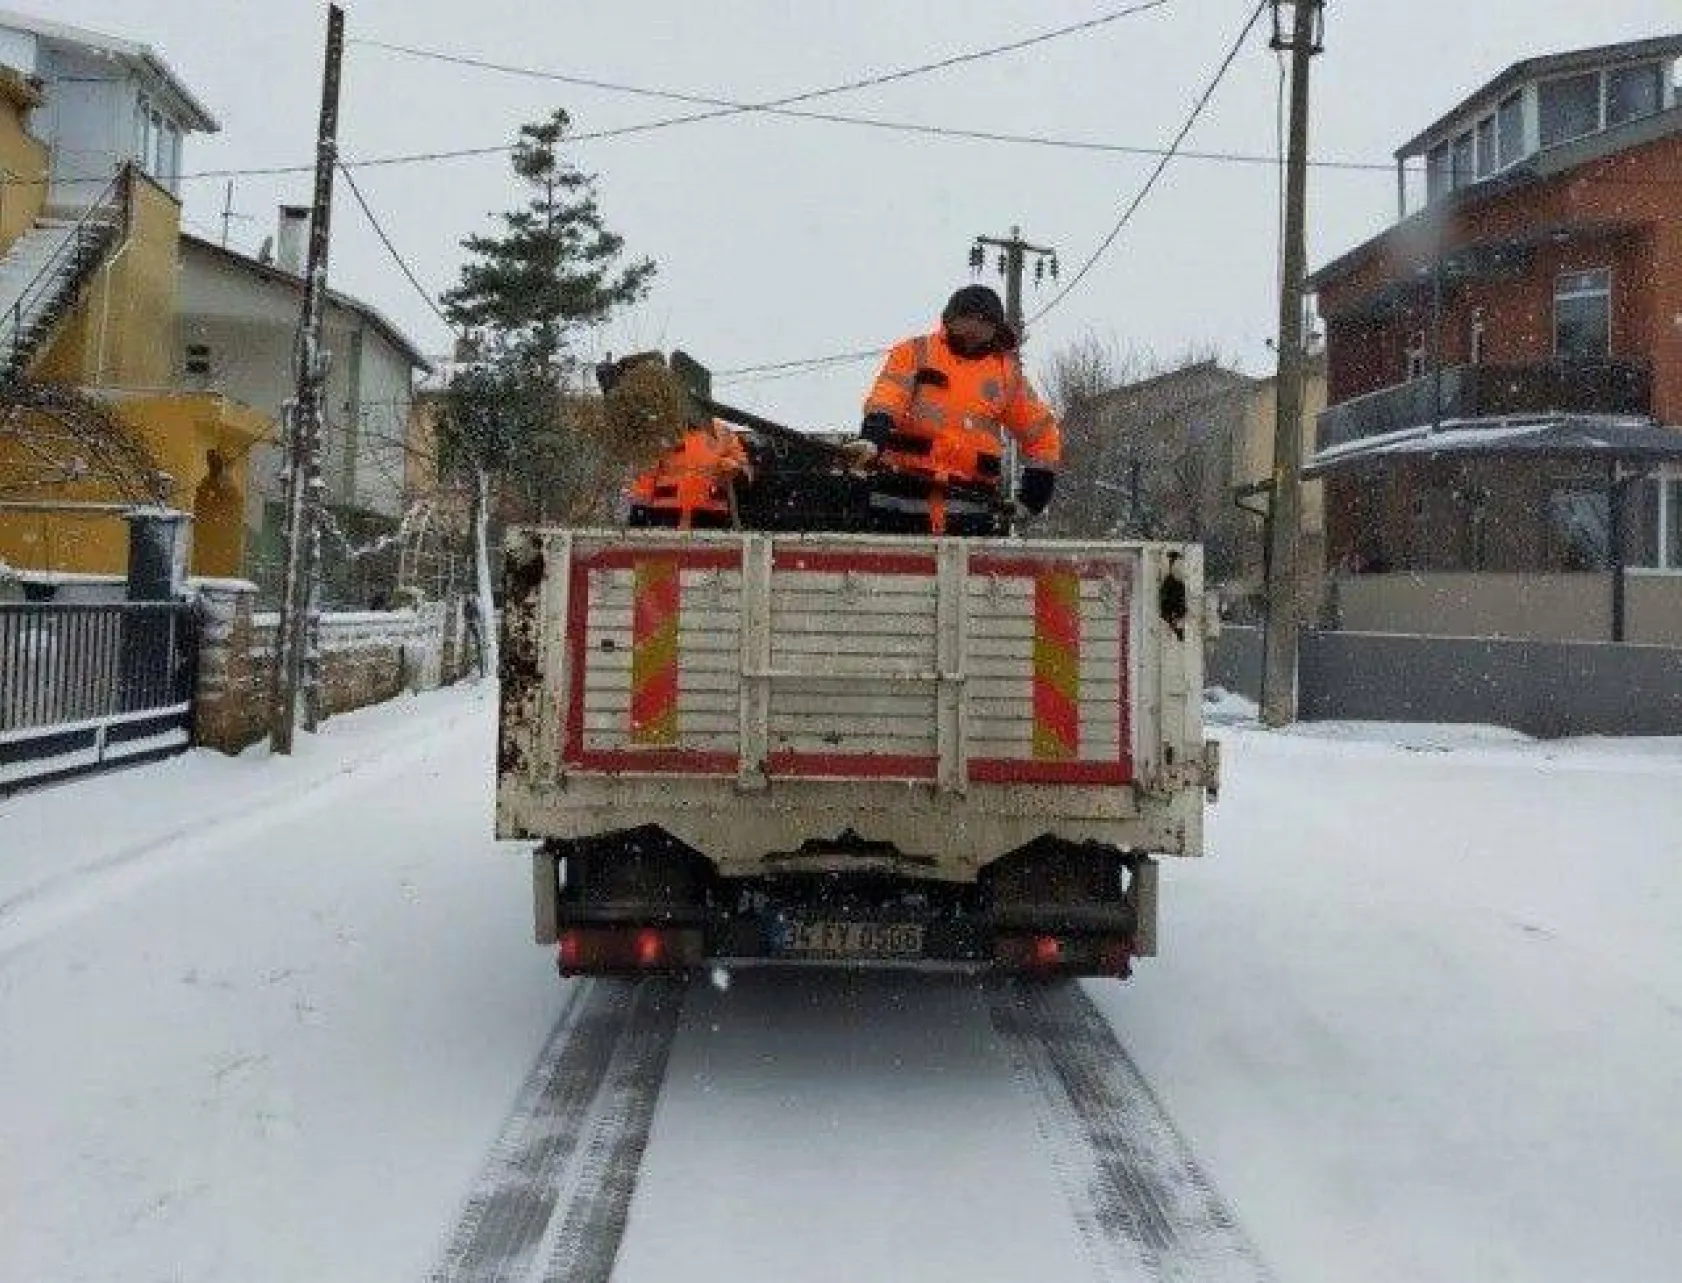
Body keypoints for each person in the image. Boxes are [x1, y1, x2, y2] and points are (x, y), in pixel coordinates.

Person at [855, 285, 1062, 535]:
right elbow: (887, 397)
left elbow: (1042, 434)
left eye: (983, 321)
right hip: (899, 497)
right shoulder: (915, 353)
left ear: (996, 328)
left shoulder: (1007, 375)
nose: (973, 328)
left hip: (971, 508)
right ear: (949, 319)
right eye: (966, 318)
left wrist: (1034, 494)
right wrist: (872, 438)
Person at [624, 417, 753, 530]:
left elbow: (744, 472)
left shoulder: (722, 432)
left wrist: (731, 467)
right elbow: (645, 476)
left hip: (711, 517)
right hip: (666, 516)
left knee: (704, 556)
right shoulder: (663, 431)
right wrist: (638, 515)